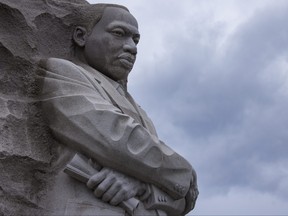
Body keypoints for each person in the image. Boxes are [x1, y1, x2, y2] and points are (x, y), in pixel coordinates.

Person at [39, 3, 198, 215]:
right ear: (81, 36)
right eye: (119, 33)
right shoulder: (62, 72)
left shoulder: (141, 112)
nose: (132, 47)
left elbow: (184, 202)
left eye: (135, 39)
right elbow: (120, 138)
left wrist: (144, 187)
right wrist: (184, 174)